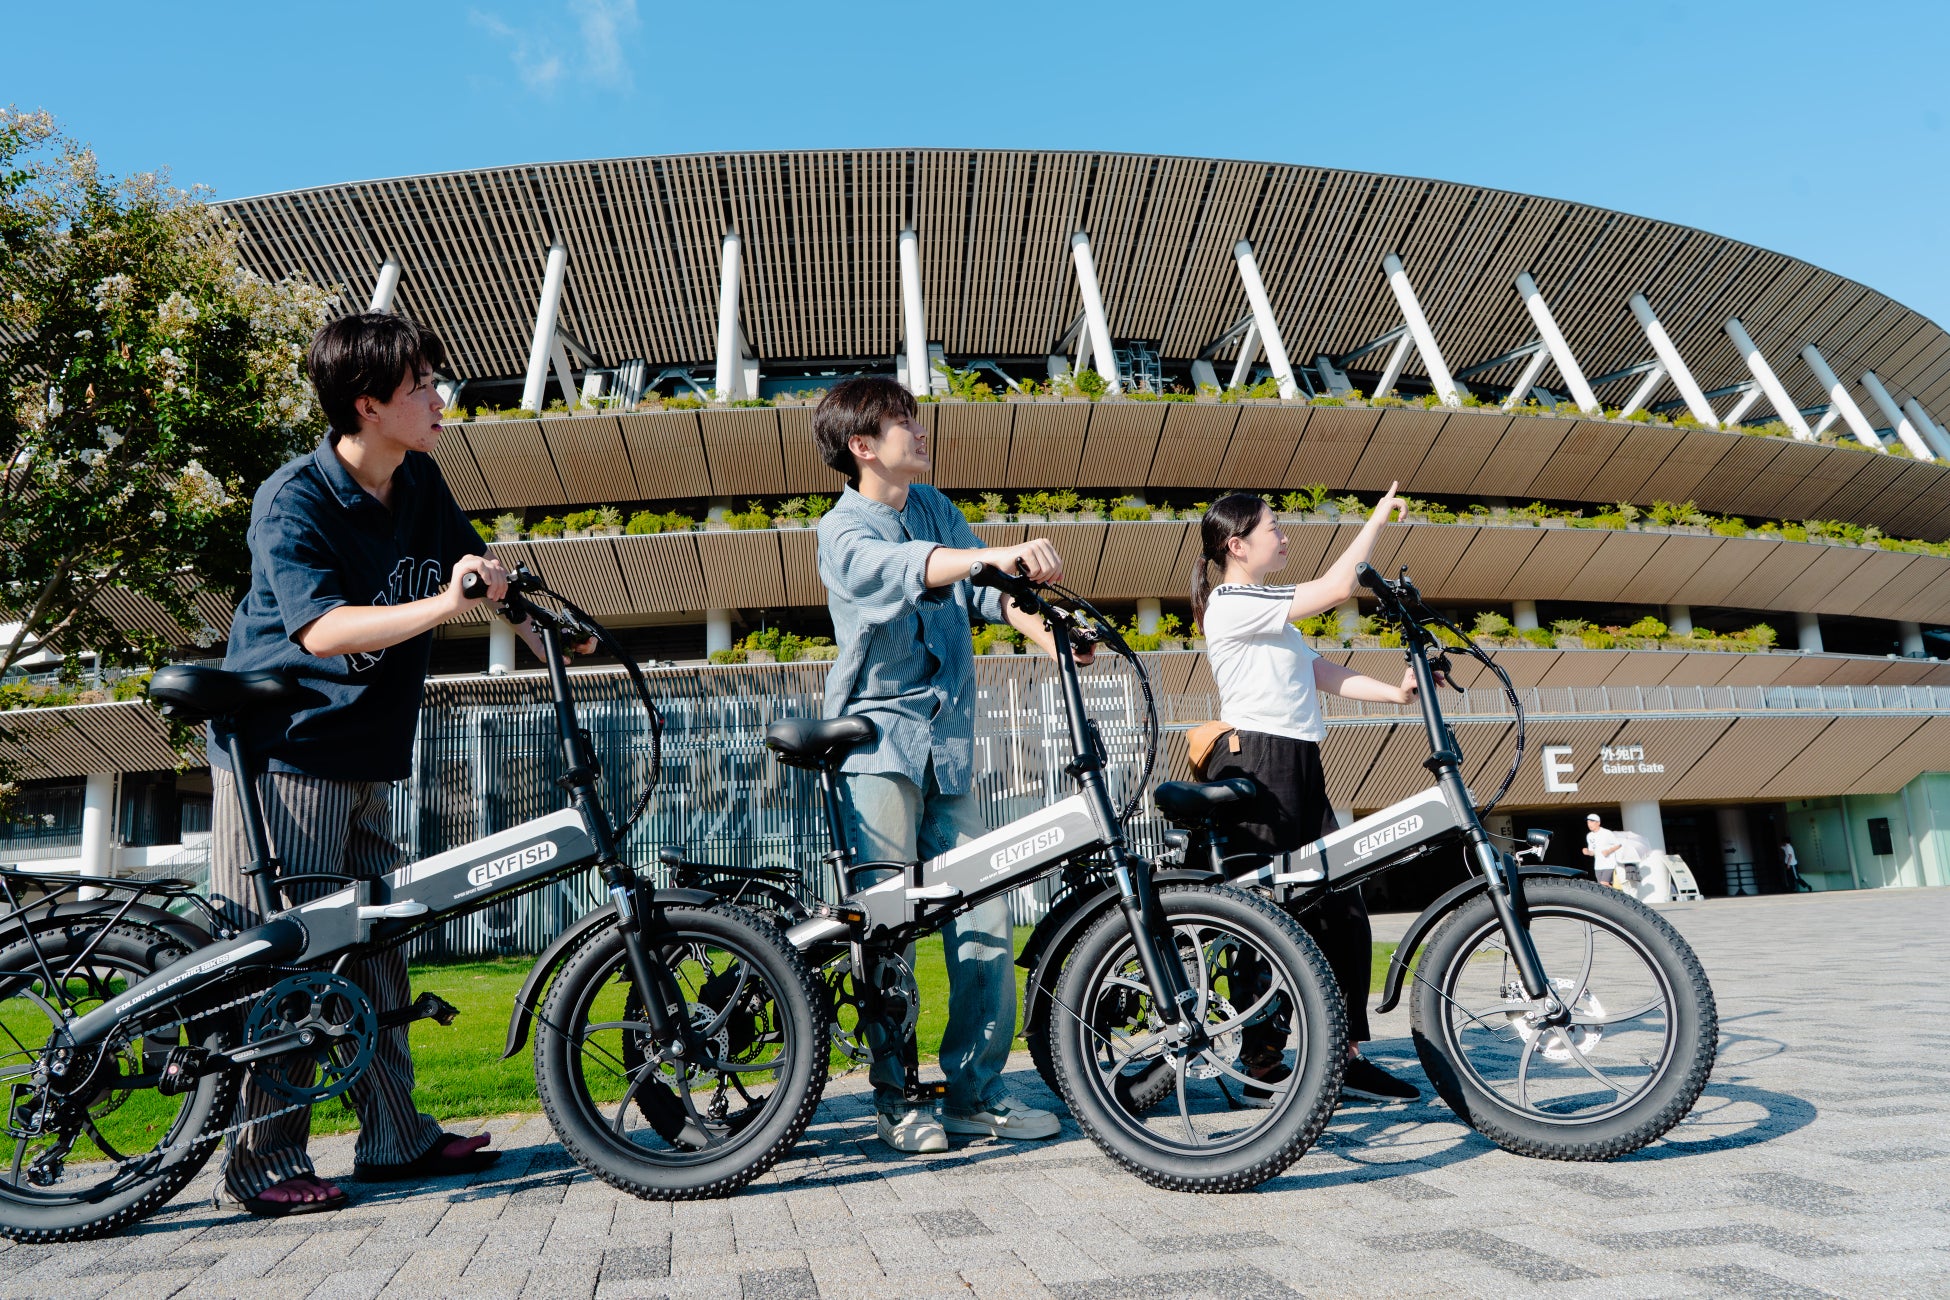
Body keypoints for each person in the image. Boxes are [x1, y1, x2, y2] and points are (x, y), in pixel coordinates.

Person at [207, 314, 580, 1216]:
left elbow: (471, 568)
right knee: (289, 964)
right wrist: (445, 606)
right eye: (421, 387)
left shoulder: (417, 478)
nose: (439, 398)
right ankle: (260, 1162)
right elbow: (322, 629)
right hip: (284, 754)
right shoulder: (294, 498)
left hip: (366, 752)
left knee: (376, 953)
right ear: (368, 404)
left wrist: (546, 634)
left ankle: (394, 1135)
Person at [814, 376, 1074, 1153]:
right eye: (904, 423)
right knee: (886, 929)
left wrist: (1054, 637)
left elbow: (989, 592)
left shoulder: (934, 506)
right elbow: (910, 570)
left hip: (948, 748)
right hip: (877, 747)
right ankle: (896, 1100)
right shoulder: (842, 529)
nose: (920, 432)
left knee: (985, 915)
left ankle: (975, 1094)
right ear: (863, 446)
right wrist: (988, 554)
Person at [1191, 489, 1424, 1105]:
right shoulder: (1231, 602)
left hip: (1298, 760)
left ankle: (1343, 1053)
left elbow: (1321, 673)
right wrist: (1376, 518)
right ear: (1237, 545)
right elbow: (1338, 587)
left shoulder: (1271, 615)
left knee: (1340, 905)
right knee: (1267, 913)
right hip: (1256, 762)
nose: (1284, 535)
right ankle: (1262, 1061)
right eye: (1274, 527)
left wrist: (1395, 694)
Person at [1583, 813, 1621, 886]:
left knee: (1604, 883)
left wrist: (1609, 851)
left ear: (1598, 823)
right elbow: (1592, 852)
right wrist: (1587, 852)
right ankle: (1615, 892)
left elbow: (1618, 844)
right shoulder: (1589, 836)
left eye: (1592, 822)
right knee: (1601, 887)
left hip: (1609, 864)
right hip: (1598, 866)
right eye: (1588, 822)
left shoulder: (1607, 833)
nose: (1589, 824)